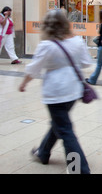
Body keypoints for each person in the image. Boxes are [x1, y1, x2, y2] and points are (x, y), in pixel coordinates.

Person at [18, 9, 92, 174]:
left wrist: (23, 84)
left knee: (65, 129)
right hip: (73, 91)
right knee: (59, 123)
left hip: (55, 93)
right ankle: (43, 152)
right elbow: (87, 63)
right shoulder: (77, 41)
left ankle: (79, 169)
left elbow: (33, 69)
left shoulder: (47, 45)